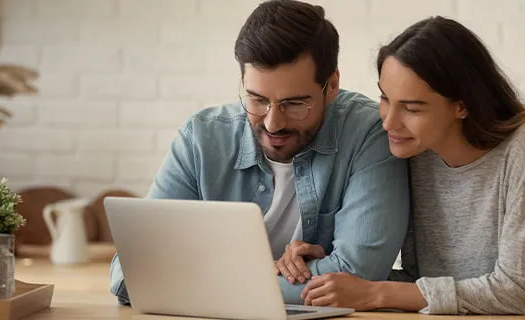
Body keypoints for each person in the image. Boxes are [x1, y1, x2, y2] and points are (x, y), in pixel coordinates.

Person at [294, 16, 525, 318]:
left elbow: (515, 291)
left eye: (412, 107)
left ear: (461, 105)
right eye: (385, 98)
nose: (388, 121)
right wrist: (338, 275)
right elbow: (427, 286)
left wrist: (376, 293)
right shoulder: (417, 155)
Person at [109, 0, 410, 306]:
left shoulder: (368, 134)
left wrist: (199, 281)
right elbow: (130, 272)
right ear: (242, 82)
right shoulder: (201, 139)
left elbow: (358, 274)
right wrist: (266, 276)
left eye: (294, 104)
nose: (272, 123)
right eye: (256, 99)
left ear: (331, 85)